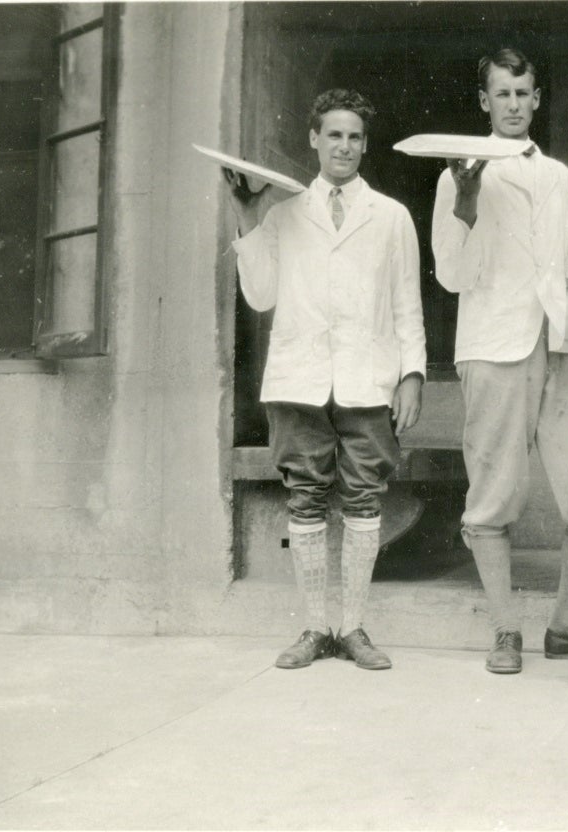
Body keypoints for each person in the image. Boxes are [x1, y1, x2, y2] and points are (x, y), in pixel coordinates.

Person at [431, 48, 568, 674]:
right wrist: (467, 199)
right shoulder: (458, 175)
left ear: (538, 98)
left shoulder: (560, 178)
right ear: (484, 102)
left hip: (561, 345)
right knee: (494, 496)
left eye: (524, 93)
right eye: (502, 95)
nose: (514, 105)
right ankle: (504, 630)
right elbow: (450, 275)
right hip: (493, 348)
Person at [225, 89, 426, 671]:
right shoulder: (285, 214)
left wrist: (412, 374)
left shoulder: (389, 216)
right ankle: (316, 628)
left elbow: (406, 303)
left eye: (355, 136)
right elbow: (260, 295)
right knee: (306, 496)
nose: (344, 146)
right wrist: (247, 218)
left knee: (364, 499)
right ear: (313, 139)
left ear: (364, 144)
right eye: (334, 134)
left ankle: (354, 627)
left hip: (368, 379)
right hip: (299, 379)